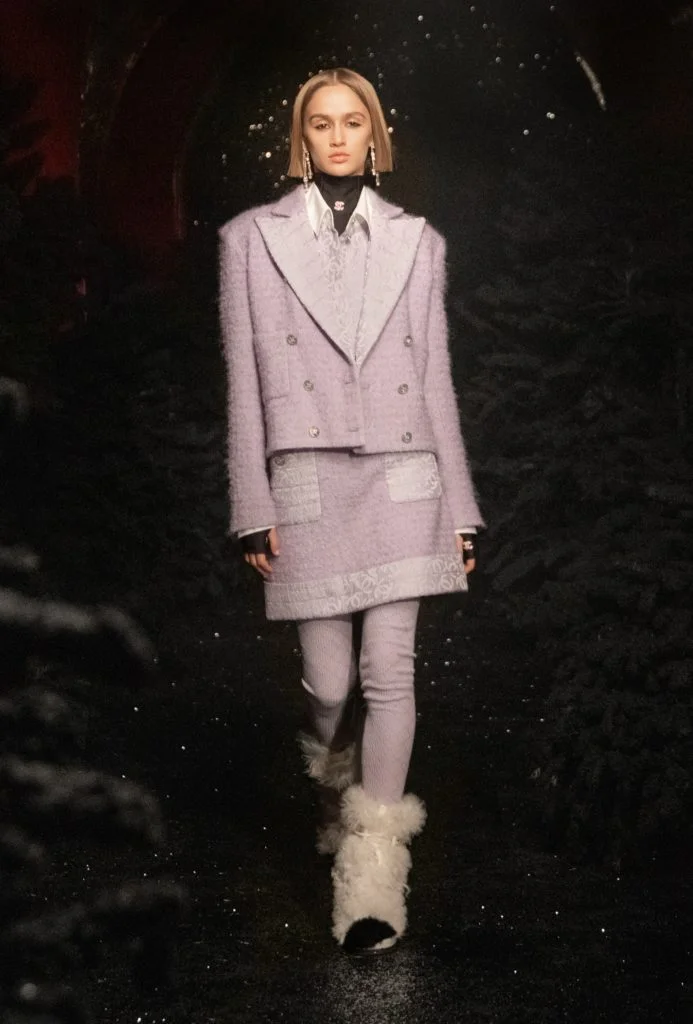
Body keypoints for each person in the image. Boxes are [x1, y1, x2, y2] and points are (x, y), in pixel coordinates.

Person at [218, 67, 484, 955]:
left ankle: (372, 883)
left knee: (389, 672)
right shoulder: (248, 239)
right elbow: (243, 381)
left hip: (404, 474)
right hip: (307, 480)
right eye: (321, 124)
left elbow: (435, 379)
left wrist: (460, 508)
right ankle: (335, 785)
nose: (338, 137)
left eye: (353, 122)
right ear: (301, 138)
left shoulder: (418, 241)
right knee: (329, 688)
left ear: (375, 135)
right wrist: (251, 503)